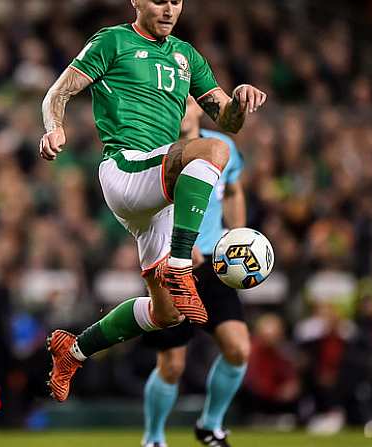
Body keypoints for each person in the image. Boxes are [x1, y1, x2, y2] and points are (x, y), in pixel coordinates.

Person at [39, 0, 266, 403]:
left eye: (176, 1)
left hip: (159, 197)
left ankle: (72, 349)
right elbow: (59, 92)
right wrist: (53, 128)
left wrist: (240, 102)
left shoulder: (187, 56)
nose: (169, 9)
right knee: (214, 151)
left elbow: (227, 118)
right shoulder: (113, 41)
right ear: (137, 1)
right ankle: (181, 265)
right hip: (126, 167)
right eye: (159, 0)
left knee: (167, 315)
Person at [140, 96, 247, 447]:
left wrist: (238, 236)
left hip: (215, 266)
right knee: (172, 365)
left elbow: (231, 189)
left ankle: (210, 426)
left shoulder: (223, 147)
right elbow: (146, 215)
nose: (180, 109)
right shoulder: (160, 155)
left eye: (185, 103)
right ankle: (154, 437)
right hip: (172, 268)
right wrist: (177, 249)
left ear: (200, 107)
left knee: (238, 350)